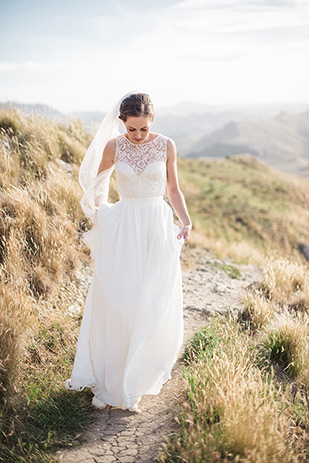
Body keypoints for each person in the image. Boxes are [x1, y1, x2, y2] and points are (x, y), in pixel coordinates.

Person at [65, 91, 192, 413]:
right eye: (132, 129)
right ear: (122, 122)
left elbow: (173, 188)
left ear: (152, 122)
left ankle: (138, 377)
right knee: (119, 299)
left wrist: (186, 220)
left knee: (151, 298)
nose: (137, 136)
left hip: (155, 226)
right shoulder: (112, 147)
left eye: (143, 129)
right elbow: (97, 185)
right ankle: (112, 378)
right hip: (123, 227)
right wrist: (100, 213)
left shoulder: (166, 145)